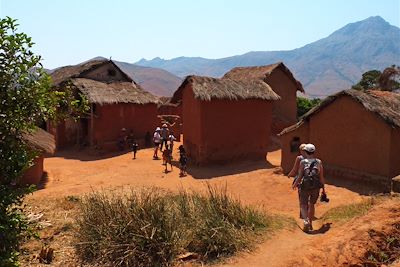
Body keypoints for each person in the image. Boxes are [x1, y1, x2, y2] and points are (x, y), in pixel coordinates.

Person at [292, 143, 326, 233]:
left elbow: (300, 176)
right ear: (314, 151)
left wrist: (295, 184)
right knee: (311, 204)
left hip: (305, 186)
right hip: (316, 187)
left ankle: (306, 220)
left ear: (305, 152)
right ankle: (310, 223)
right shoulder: (319, 162)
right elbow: (321, 176)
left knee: (303, 205)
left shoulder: (303, 162)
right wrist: (323, 187)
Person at [288, 143, 307, 218]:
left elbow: (295, 169)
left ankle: (302, 215)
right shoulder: (312, 158)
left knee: (301, 197)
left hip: (301, 180)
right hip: (311, 180)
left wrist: (289, 174)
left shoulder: (299, 158)